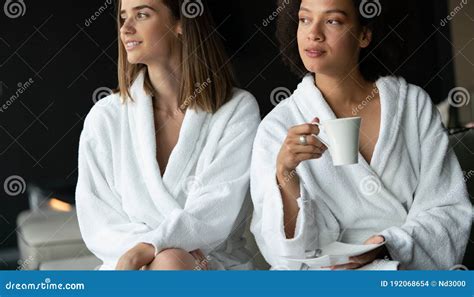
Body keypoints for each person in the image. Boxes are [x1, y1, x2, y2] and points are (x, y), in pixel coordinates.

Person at [250, 0, 472, 270]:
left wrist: (388, 247)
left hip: (404, 272)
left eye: (332, 21)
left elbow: (448, 209)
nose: (314, 33)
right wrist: (286, 175)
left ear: (365, 34)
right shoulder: (277, 127)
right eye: (305, 19)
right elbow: (282, 256)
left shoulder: (412, 106)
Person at [76, 0, 260, 270]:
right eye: (122, 17)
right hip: (128, 266)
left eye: (142, 14)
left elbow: (218, 206)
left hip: (210, 264)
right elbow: (99, 220)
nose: (126, 28)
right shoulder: (105, 117)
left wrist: (155, 247)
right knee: (170, 261)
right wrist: (155, 252)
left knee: (172, 262)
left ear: (181, 23)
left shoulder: (236, 110)